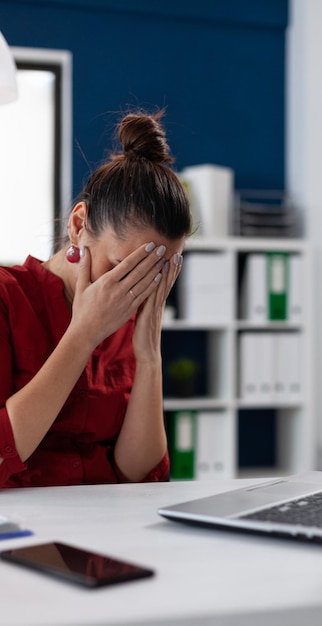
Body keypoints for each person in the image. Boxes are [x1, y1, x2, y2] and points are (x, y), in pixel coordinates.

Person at [0, 109, 192, 488]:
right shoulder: (8, 299)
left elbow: (139, 476)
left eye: (158, 274)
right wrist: (84, 334)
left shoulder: (132, 325)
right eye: (126, 268)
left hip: (105, 530)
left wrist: (149, 354)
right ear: (78, 225)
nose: (138, 290)